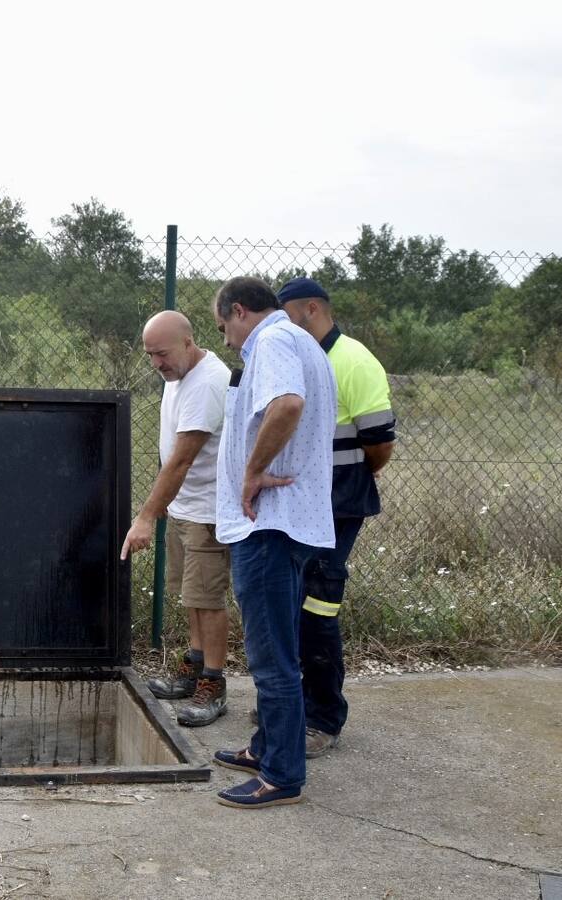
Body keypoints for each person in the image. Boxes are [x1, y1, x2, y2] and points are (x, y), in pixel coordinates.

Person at [209, 277, 336, 809]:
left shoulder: (274, 341)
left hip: (269, 523)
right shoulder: (303, 341)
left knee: (270, 656)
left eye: (224, 329)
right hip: (289, 522)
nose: (229, 342)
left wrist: (253, 471)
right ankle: (266, 749)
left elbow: (286, 405)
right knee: (277, 643)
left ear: (240, 311)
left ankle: (282, 775)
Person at [276, 277, 396, 756]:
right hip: (300, 502)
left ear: (310, 310)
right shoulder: (299, 357)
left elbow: (379, 445)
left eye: (285, 314)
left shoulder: (353, 361)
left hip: (340, 504)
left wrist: (342, 477)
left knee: (319, 604)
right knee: (290, 601)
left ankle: (323, 717)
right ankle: (295, 704)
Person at [121, 310, 232, 726]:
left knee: (207, 599)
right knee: (190, 597)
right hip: (184, 506)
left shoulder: (207, 383)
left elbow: (183, 459)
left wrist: (147, 515)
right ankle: (195, 664)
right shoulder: (178, 375)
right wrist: (166, 505)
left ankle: (214, 684)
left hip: (207, 511)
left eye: (162, 354)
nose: (157, 364)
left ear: (188, 342)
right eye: (150, 355)